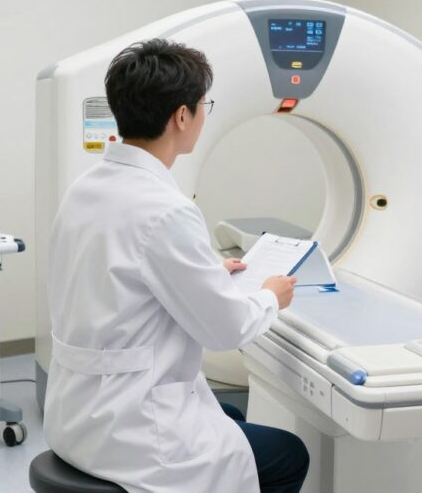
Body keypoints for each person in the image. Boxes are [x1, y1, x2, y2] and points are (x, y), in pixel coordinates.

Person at [43, 38, 310, 493]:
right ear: (182, 116)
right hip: (132, 430)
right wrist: (270, 295)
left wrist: (206, 274)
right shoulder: (166, 209)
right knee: (288, 454)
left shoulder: (84, 189)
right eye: (203, 104)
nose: (204, 113)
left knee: (229, 416)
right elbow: (225, 330)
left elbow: (121, 279)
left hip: (75, 412)